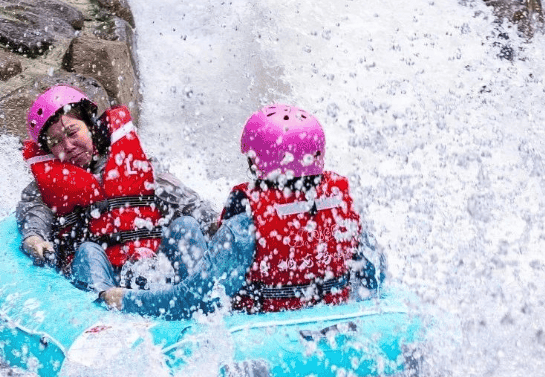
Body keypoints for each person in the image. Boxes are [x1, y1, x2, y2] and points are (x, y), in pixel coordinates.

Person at [100, 105, 383, 319]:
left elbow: (192, 299)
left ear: (256, 162)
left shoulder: (243, 228)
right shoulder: (344, 207)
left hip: (257, 330)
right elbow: (375, 276)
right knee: (185, 225)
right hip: (329, 315)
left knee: (182, 230)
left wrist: (126, 299)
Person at [17, 85, 217, 292]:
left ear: (91, 126)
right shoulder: (44, 190)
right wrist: (34, 238)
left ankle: (204, 295)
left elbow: (191, 206)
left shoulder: (137, 164)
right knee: (87, 251)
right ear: (48, 150)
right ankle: (102, 316)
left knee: (186, 225)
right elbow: (34, 217)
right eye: (56, 141)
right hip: (106, 283)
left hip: (158, 271)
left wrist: (219, 226)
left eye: (73, 132)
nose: (68, 146)